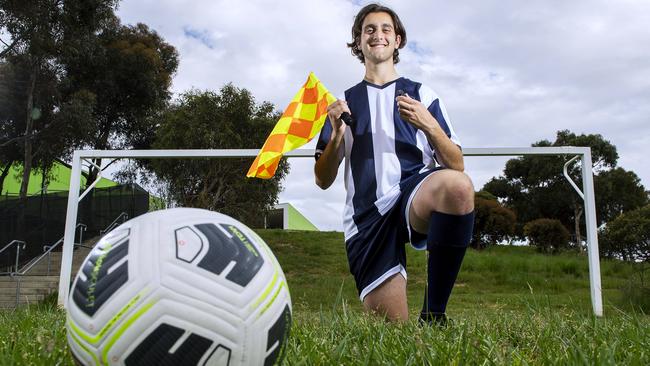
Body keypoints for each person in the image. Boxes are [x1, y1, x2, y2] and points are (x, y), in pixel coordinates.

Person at [314, 3, 475, 324]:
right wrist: (336, 136)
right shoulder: (343, 104)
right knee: (395, 335)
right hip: (367, 217)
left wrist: (429, 124)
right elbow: (322, 179)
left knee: (457, 187)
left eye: (386, 29)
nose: (378, 35)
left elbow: (456, 164)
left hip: (412, 196)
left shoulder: (421, 94)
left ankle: (434, 314)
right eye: (369, 29)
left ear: (398, 40)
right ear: (358, 42)